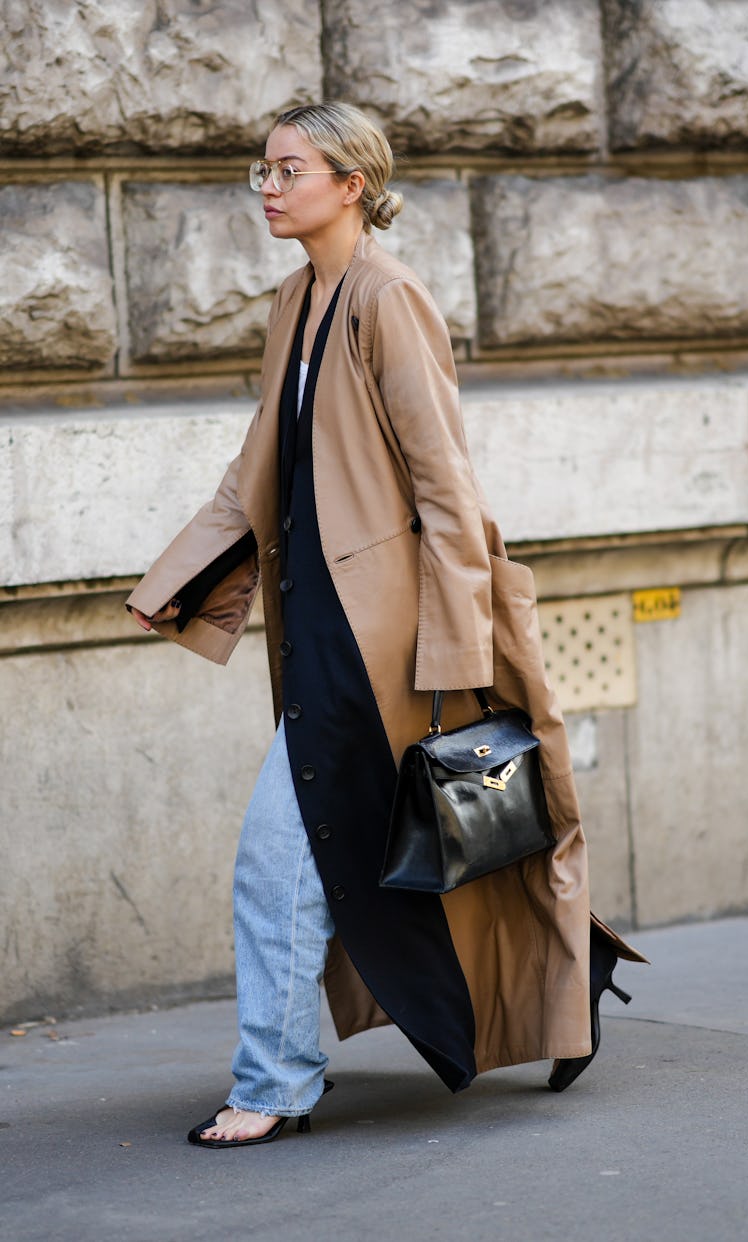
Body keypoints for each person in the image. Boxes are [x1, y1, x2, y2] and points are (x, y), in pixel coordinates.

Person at [128, 101, 646, 1148]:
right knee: (412, 857)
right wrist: (172, 583)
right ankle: (567, 977)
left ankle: (271, 1083)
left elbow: (448, 489)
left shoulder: (388, 297)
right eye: (261, 170)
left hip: (390, 643)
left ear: (351, 183)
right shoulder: (296, 300)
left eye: (288, 169)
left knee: (289, 857)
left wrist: (452, 652)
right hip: (316, 628)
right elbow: (256, 474)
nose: (267, 187)